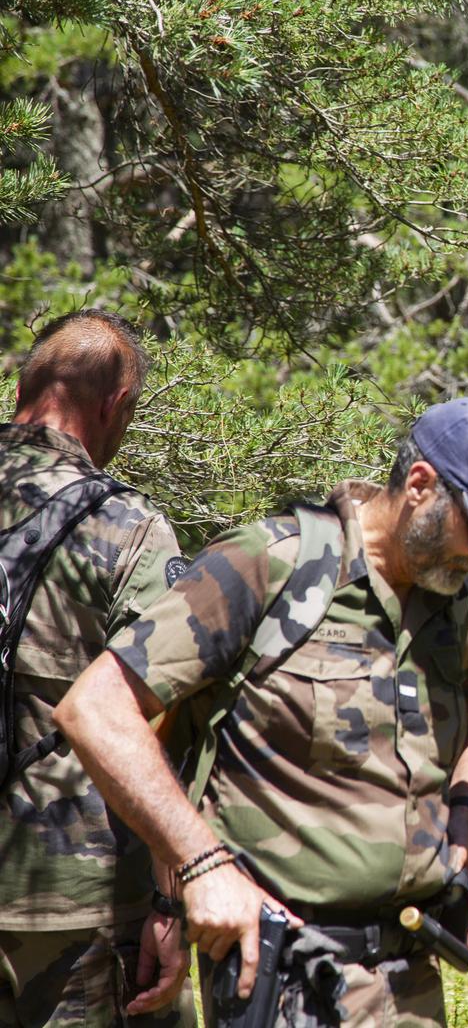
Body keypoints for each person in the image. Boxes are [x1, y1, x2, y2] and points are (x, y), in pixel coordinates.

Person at [55, 397, 468, 1025]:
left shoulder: (458, 593)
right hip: (284, 977)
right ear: (420, 486)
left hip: (411, 975)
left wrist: (466, 821)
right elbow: (97, 708)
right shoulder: (272, 564)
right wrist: (198, 865)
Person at [0, 310, 191, 1027]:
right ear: (114, 406)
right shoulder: (129, 527)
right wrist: (172, 898)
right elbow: (166, 719)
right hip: (75, 906)